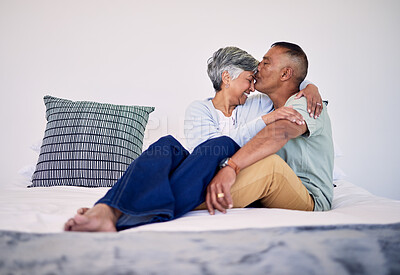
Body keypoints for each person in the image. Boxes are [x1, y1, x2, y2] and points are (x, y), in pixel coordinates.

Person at [64, 46, 322, 232]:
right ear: (227, 77)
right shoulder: (200, 108)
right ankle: (106, 207)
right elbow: (203, 151)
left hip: (235, 171)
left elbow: (290, 79)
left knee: (220, 144)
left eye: (256, 78)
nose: (253, 86)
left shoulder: (260, 103)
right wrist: (263, 122)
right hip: (203, 169)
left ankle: (116, 214)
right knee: (166, 145)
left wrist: (312, 87)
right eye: (249, 79)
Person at [201, 42, 334, 215]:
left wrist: (231, 167)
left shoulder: (307, 104)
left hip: (310, 197)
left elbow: (281, 132)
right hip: (276, 188)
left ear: (285, 73)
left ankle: (177, 202)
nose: (258, 67)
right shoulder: (266, 106)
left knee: (271, 166)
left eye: (266, 63)